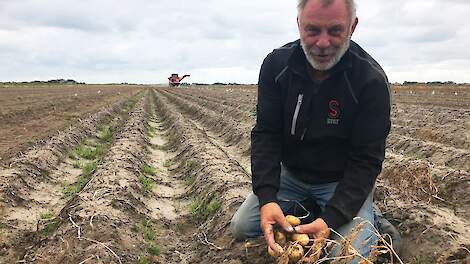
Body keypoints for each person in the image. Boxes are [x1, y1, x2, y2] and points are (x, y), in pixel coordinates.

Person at [230, 0, 398, 261]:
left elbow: (367, 160)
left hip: (340, 181)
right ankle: (311, 208)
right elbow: (266, 134)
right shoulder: (276, 66)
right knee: (242, 227)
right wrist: (267, 197)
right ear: (299, 25)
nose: (322, 43)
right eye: (312, 30)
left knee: (349, 256)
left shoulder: (370, 81)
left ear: (352, 27)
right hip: (292, 176)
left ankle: (371, 218)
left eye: (334, 31)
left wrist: (331, 218)